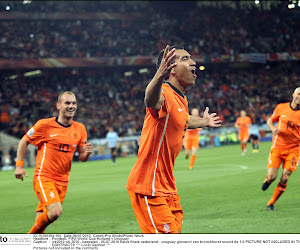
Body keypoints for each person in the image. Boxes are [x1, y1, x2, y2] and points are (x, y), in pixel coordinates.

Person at [126, 45, 222, 234]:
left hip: (168, 186)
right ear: (171, 68)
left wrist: (204, 121)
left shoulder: (181, 100)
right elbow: (150, 101)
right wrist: (159, 75)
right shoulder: (164, 93)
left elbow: (184, 119)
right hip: (149, 185)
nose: (193, 62)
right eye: (185, 59)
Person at [14, 91, 93, 233]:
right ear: (58, 105)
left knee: (43, 221)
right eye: (67, 103)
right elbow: (24, 141)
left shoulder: (80, 128)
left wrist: (86, 154)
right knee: (55, 212)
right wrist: (19, 166)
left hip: (63, 181)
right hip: (44, 177)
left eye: (74, 103)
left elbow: (82, 157)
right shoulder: (44, 125)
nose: (71, 106)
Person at [261, 87, 300, 211]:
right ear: (293, 94)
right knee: (273, 176)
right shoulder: (281, 107)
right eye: (299, 93)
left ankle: (271, 203)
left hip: (294, 149)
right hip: (278, 147)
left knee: (285, 177)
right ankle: (268, 180)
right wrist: (273, 129)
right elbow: (270, 121)